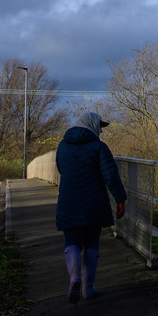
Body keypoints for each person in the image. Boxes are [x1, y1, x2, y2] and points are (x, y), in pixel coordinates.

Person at [55, 111, 127, 303]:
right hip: (94, 203)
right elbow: (110, 176)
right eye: (100, 128)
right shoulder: (99, 147)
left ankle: (74, 278)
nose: (101, 132)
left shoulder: (62, 146)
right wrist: (120, 199)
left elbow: (61, 170)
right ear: (92, 125)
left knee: (72, 242)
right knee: (91, 244)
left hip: (68, 202)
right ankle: (88, 288)